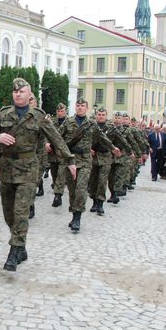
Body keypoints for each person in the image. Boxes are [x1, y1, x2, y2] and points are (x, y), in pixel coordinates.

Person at [0, 78, 75, 270]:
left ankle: (14, 251)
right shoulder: (4, 114)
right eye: (15, 91)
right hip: (8, 167)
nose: (18, 94)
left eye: (22, 91)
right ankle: (21, 245)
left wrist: (70, 161)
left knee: (21, 212)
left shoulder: (39, 116)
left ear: (29, 94)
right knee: (9, 213)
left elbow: (57, 139)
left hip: (28, 168)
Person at [57, 97, 120, 232]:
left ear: (87, 108)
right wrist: (50, 145)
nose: (80, 107)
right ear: (75, 107)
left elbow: (102, 137)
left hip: (85, 160)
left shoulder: (91, 124)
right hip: (71, 160)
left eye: (82, 105)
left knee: (81, 189)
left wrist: (112, 147)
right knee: (73, 190)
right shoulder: (68, 122)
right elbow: (57, 136)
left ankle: (77, 218)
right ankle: (74, 214)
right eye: (78, 105)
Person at [88, 108, 131, 215]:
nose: (101, 116)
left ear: (106, 116)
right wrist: (89, 148)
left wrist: (131, 152)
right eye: (99, 114)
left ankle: (100, 203)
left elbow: (122, 140)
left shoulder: (111, 129)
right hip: (93, 157)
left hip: (106, 157)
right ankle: (94, 201)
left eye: (103, 114)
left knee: (102, 181)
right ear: (96, 115)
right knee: (93, 181)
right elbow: (85, 139)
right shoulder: (90, 126)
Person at [48, 103, 68, 207]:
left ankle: (58, 195)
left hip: (63, 154)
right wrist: (47, 144)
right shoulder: (52, 122)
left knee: (61, 174)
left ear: (66, 111)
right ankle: (57, 189)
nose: (60, 113)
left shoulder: (69, 122)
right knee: (54, 174)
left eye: (62, 111)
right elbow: (47, 134)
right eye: (58, 111)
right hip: (53, 153)